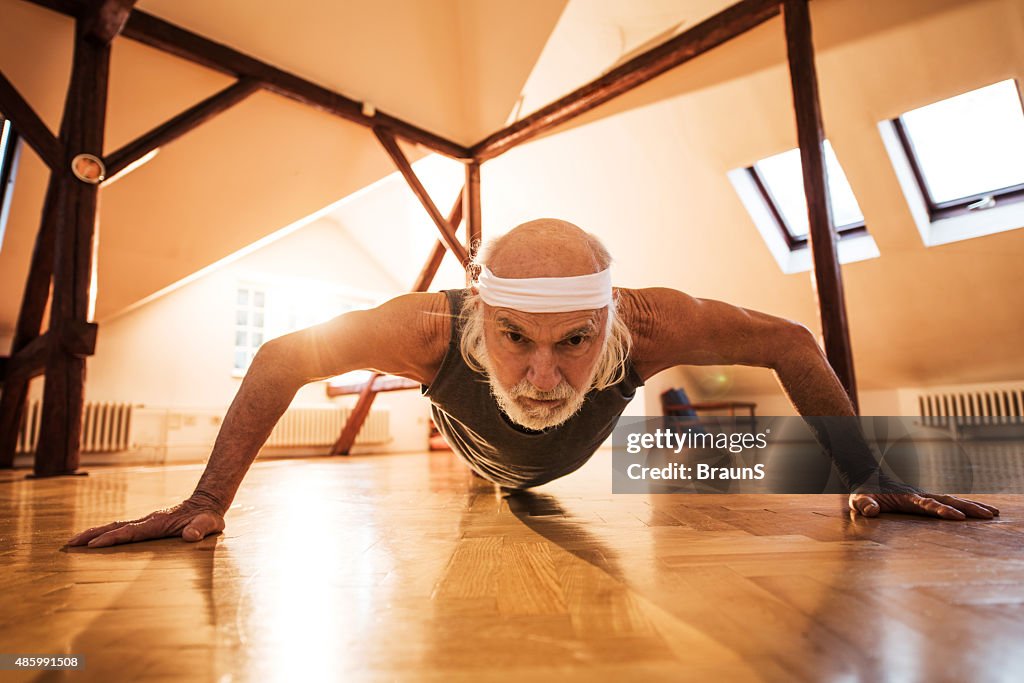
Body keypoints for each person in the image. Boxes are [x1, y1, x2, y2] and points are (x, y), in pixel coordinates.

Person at [67, 219, 998, 548]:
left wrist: (869, 476)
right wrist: (207, 496)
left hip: (559, 465)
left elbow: (794, 340)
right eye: (516, 338)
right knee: (500, 480)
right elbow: (279, 357)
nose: (545, 376)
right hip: (488, 461)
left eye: (575, 342)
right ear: (477, 317)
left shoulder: (658, 322)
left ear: (612, 321)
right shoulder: (420, 329)